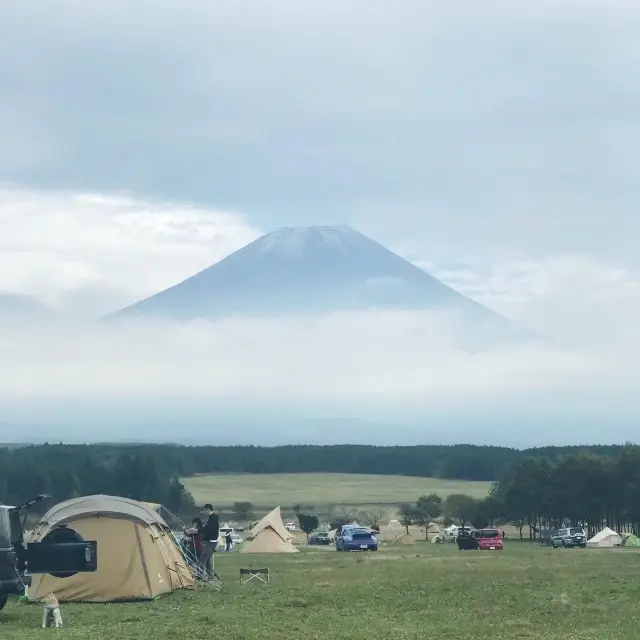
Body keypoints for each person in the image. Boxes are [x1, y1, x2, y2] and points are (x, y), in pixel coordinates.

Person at [197, 504, 219, 578]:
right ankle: (210, 576)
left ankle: (200, 575)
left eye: (204, 510)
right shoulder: (211, 518)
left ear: (208, 509)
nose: (204, 512)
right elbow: (206, 528)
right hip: (210, 542)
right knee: (207, 561)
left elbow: (208, 529)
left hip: (211, 543)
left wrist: (197, 530)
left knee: (202, 559)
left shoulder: (213, 518)